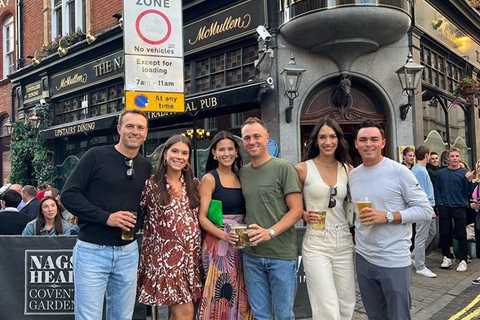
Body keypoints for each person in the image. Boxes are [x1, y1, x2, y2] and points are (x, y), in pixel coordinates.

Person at [61, 110, 151, 320]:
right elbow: (68, 195)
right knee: (88, 317)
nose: (135, 131)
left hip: (128, 252)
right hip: (92, 251)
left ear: (146, 134)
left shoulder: (145, 166)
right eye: (130, 126)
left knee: (122, 317)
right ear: (119, 129)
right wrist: (106, 217)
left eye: (140, 127)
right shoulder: (96, 156)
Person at [349, 121, 433, 320]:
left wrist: (387, 216)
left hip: (393, 258)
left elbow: (425, 210)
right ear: (356, 144)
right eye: (363, 140)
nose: (368, 144)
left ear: (383, 143)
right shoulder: (353, 175)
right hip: (363, 257)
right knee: (375, 316)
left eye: (374, 139)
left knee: (398, 316)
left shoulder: (399, 171)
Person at [239, 117, 303, 320]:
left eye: (257, 136)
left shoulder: (283, 167)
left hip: (281, 255)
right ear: (242, 142)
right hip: (252, 256)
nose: (252, 141)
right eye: (247, 138)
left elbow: (296, 210)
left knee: (284, 315)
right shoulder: (243, 172)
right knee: (260, 315)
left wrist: (270, 232)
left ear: (267, 138)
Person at [295, 118, 355, 320]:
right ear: (315, 141)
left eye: (332, 136)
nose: (328, 141)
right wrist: (303, 213)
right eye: (322, 137)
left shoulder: (347, 169)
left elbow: (354, 202)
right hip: (316, 242)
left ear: (339, 139)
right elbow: (290, 203)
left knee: (346, 303)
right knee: (326, 305)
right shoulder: (302, 169)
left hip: (344, 240)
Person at [137, 134, 202, 320]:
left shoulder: (194, 184)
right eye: (175, 151)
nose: (179, 156)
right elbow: (135, 212)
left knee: (177, 314)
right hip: (167, 261)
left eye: (184, 153)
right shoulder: (151, 184)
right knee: (186, 312)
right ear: (165, 154)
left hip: (190, 260)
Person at [197, 131, 252, 319]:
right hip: (218, 246)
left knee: (240, 290)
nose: (226, 153)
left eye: (230, 149)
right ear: (214, 153)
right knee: (220, 292)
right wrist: (224, 235)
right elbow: (202, 218)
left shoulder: (242, 177)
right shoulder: (210, 179)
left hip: (240, 243)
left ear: (237, 152)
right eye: (221, 149)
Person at [436, 148, 472, 272]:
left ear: (460, 158)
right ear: (448, 159)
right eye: (452, 156)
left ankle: (463, 259)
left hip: (459, 206)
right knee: (445, 233)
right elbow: (437, 189)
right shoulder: (441, 173)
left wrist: (469, 180)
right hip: (444, 206)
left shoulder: (464, 173)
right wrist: (439, 204)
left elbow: (469, 191)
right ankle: (447, 257)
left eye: (457, 156)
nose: (455, 158)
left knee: (461, 233)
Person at [411, 145, 437, 278]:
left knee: (431, 232)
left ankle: (414, 256)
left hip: (427, 207)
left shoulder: (419, 169)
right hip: (424, 208)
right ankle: (420, 266)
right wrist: (428, 208)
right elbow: (421, 192)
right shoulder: (419, 171)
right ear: (426, 155)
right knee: (421, 236)